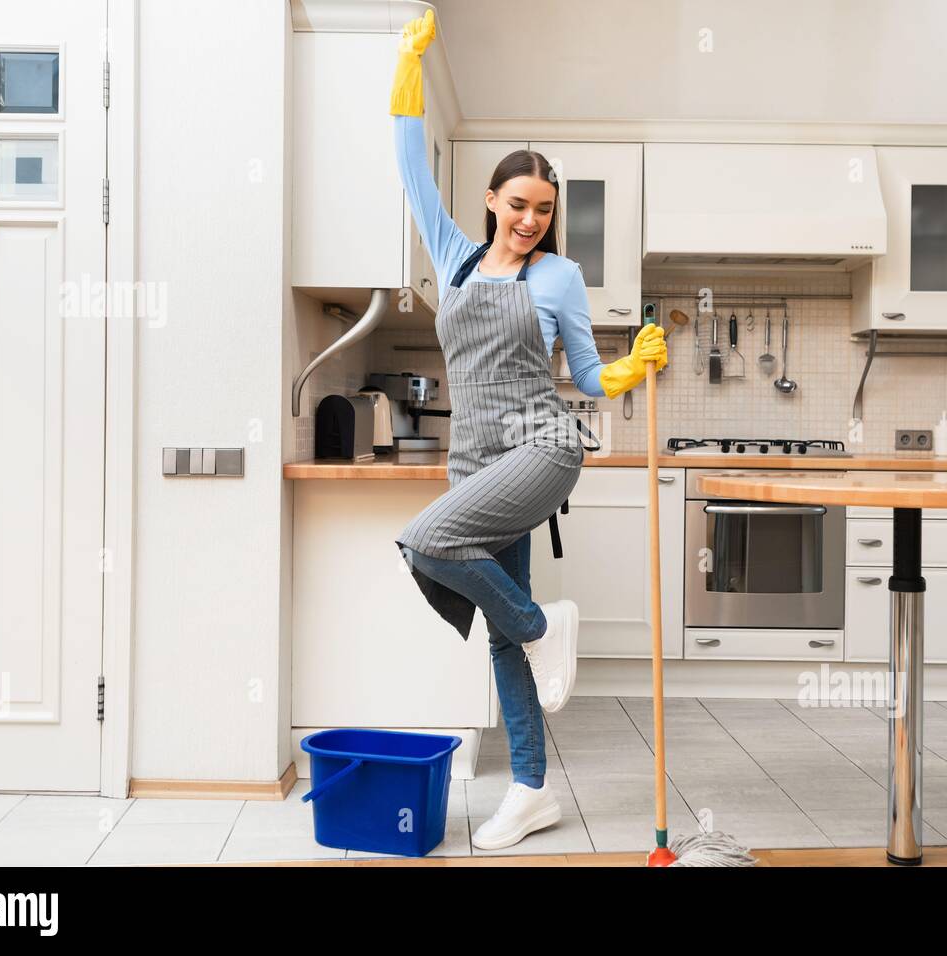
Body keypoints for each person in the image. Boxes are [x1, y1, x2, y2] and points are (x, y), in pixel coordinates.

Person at [388, 10, 667, 850]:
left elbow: (585, 379)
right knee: (501, 645)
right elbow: (408, 164)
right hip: (471, 462)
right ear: (490, 199)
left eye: (544, 209)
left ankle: (550, 625)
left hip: (541, 447)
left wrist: (631, 365)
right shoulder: (455, 255)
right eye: (518, 205)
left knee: (426, 544)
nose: (530, 220)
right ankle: (533, 792)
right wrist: (407, 65)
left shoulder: (562, 277)